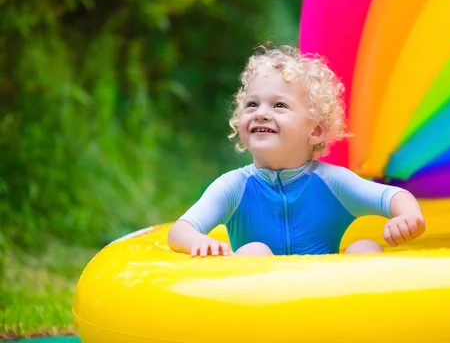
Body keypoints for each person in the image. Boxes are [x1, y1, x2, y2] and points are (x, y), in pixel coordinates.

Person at [167, 45, 425, 257]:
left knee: (365, 248)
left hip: (324, 294)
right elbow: (180, 230)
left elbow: (394, 196)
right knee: (255, 252)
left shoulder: (332, 181)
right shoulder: (234, 186)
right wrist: (201, 243)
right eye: (252, 105)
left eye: (279, 105)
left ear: (315, 130)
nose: (261, 114)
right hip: (258, 298)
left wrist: (408, 217)